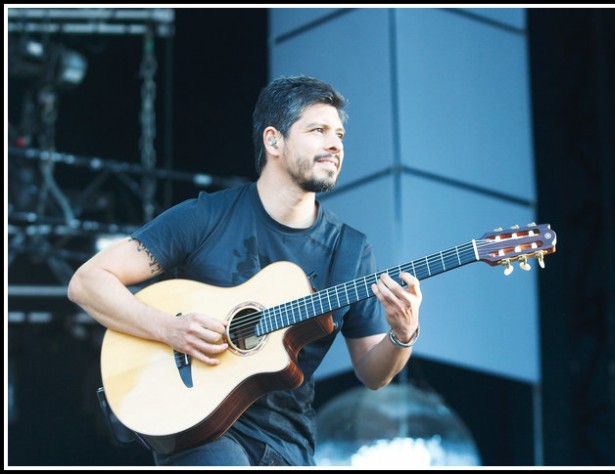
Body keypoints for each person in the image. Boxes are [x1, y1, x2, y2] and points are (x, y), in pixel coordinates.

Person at [67, 75, 422, 466]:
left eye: (338, 133)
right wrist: (168, 329)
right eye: (318, 130)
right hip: (199, 430)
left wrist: (402, 335)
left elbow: (374, 373)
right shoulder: (206, 216)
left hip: (287, 445)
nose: (335, 143)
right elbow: (88, 281)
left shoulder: (350, 250)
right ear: (273, 141)